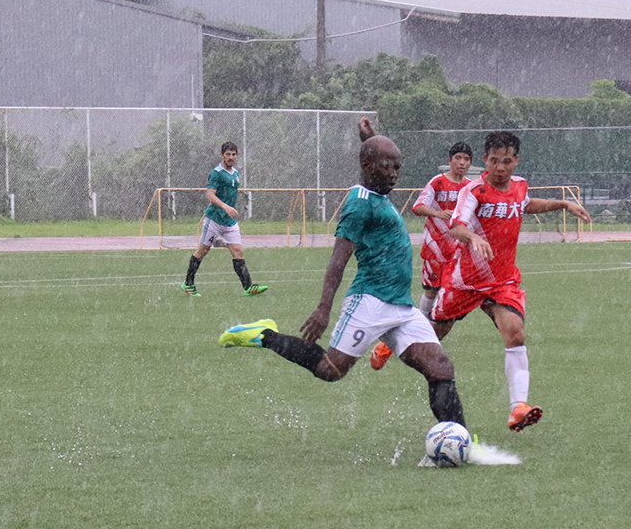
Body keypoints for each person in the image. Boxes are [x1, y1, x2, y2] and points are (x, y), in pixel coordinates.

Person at [218, 121, 467, 433]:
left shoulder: (376, 189)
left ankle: (462, 441)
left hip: (401, 308)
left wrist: (370, 139)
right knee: (331, 369)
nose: (394, 173)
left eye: (397, 167)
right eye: (388, 166)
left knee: (440, 367)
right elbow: (338, 259)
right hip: (370, 301)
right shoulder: (359, 206)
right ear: (367, 165)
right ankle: (264, 335)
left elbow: (373, 160)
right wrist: (324, 308)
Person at [431, 131, 591, 432]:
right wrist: (474, 236)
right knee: (431, 337)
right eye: (494, 161)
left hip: (503, 281)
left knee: (515, 334)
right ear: (485, 160)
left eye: (507, 161)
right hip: (466, 280)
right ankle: (395, 341)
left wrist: (564, 205)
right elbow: (456, 226)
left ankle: (518, 407)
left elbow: (526, 204)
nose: (500, 168)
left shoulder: (519, 187)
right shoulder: (474, 191)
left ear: (516, 160)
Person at [370, 141, 473, 371]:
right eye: (458, 158)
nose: (462, 163)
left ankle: (420, 341)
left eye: (466, 159)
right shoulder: (438, 182)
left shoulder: (471, 187)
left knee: (454, 301)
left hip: (459, 251)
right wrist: (438, 213)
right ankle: (408, 341)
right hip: (436, 247)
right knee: (433, 291)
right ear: (450, 160)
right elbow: (417, 207)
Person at [180, 142, 268, 297]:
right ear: (222, 155)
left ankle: (248, 287)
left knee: (238, 251)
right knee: (203, 251)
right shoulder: (216, 173)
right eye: (228, 154)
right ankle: (188, 284)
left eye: (234, 154)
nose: (231, 157)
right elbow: (210, 195)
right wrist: (226, 206)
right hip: (214, 219)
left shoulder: (235, 173)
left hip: (229, 222)